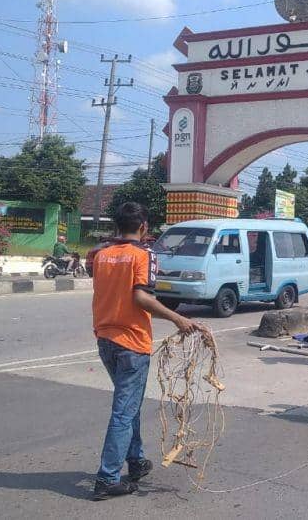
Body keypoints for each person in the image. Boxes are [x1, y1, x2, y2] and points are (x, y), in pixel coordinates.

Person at [87, 202, 207, 501]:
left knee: (129, 405)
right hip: (131, 343)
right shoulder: (144, 254)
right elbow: (140, 297)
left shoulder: (102, 255)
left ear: (117, 226)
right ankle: (107, 478)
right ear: (143, 227)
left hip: (105, 338)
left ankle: (137, 461)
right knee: (124, 412)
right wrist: (178, 318)